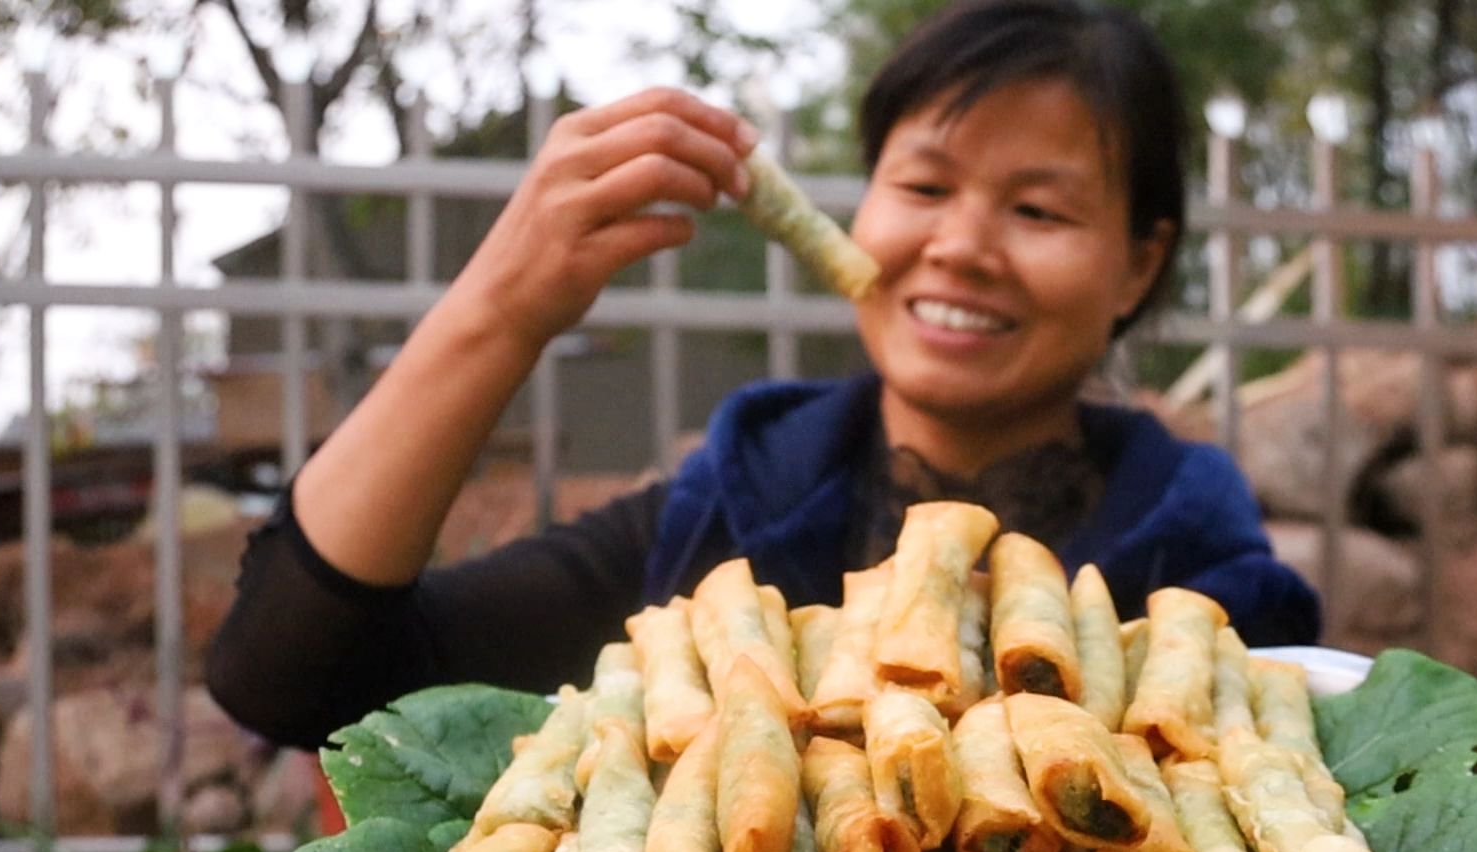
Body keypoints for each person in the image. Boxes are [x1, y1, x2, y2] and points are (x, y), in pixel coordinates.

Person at [207, 0, 1321, 751]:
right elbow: (297, 678)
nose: (963, 246)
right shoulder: (718, 525)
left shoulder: (1213, 594)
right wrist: (498, 309)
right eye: (924, 187)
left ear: (1139, 264)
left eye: (1037, 209)